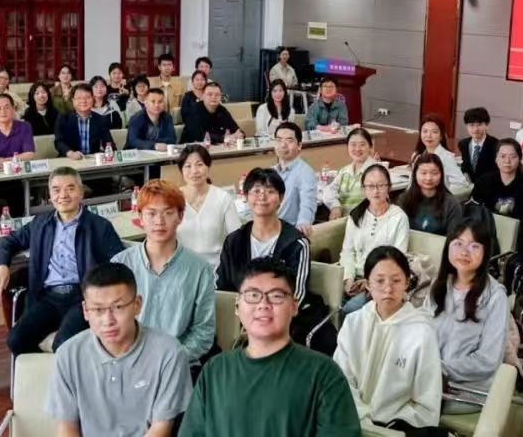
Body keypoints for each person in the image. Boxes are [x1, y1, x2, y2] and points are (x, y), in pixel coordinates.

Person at [179, 257, 361, 437]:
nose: (263, 305)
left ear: (294, 306)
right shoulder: (215, 370)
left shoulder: (324, 374)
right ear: (237, 306)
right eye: (253, 295)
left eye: (276, 296)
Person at [46, 262, 192, 437]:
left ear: (137, 304)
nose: (108, 320)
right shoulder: (67, 355)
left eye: (118, 307)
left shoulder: (170, 353)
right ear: (85, 310)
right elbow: (67, 428)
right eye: (98, 309)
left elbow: (161, 429)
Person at [0, 166, 126, 354]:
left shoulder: (99, 226)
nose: (63, 195)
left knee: (63, 345)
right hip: (46, 297)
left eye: (70, 188)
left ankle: (61, 362)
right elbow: (8, 242)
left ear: (81, 192)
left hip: (83, 298)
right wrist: (1, 265)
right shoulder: (40, 223)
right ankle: (47, 363)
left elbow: (120, 265)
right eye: (56, 190)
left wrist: (100, 297)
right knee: (16, 340)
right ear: (49, 195)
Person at [333, 247, 443, 436]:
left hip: (397, 428)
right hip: (353, 420)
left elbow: (427, 401)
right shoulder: (354, 322)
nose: (388, 289)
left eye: (396, 280)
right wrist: (362, 419)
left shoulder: (422, 332)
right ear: (367, 284)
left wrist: (388, 428)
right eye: (380, 280)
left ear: (407, 283)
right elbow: (342, 380)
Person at [111, 180, 215, 363]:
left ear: (180, 216)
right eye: (151, 213)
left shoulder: (199, 269)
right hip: (129, 361)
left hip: (179, 363)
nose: (159, 221)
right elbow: (110, 320)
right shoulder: (120, 264)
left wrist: (170, 360)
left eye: (168, 213)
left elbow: (203, 332)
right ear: (140, 217)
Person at [425, 221, 509, 415]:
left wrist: (440, 369)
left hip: (466, 390)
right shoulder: (440, 285)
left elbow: (488, 360)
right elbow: (422, 332)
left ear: (486, 253)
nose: (464, 252)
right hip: (430, 380)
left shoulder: (496, 296)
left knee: (402, 407)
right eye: (458, 243)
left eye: (474, 246)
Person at [216, 168, 311, 302]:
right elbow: (222, 289)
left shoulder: (297, 244)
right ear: (246, 196)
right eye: (256, 191)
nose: (262, 197)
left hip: (282, 313)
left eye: (270, 191)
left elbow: (297, 296)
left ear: (281, 198)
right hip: (239, 312)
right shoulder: (233, 242)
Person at [341, 164, 409, 314]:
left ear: (389, 187)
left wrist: (369, 282)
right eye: (370, 186)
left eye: (381, 185)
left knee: (350, 309)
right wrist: (348, 279)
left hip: (381, 282)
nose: (376, 191)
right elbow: (348, 252)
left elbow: (397, 258)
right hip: (354, 278)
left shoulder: (399, 217)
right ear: (363, 189)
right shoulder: (356, 215)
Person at [177, 145, 241, 266]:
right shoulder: (173, 199)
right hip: (182, 267)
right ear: (181, 170)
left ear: (208, 167)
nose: (194, 171)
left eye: (199, 165)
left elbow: (236, 239)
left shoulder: (223, 198)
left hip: (216, 268)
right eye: (188, 166)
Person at [470, 138, 523, 227]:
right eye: (502, 156)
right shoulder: (483, 181)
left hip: (516, 232)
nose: (507, 161)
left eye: (513, 157)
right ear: (496, 159)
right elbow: (473, 210)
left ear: (519, 159)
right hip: (484, 229)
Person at [397, 152, 463, 236]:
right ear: (415, 174)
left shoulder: (451, 204)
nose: (428, 178)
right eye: (423, 173)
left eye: (434, 173)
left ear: (441, 175)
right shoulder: (404, 200)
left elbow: (454, 238)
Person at [321, 128, 378, 220]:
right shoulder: (345, 171)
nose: (357, 149)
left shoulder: (376, 171)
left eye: (362, 145)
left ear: (371, 147)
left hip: (364, 222)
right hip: (343, 221)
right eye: (353, 145)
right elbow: (329, 190)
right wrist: (335, 207)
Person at [272, 122, 317, 235]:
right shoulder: (271, 171)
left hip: (288, 233)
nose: (283, 145)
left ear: (299, 145)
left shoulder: (305, 172)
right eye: (279, 140)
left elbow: (308, 203)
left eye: (289, 140)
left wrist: (303, 223)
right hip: (269, 229)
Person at [54, 83, 115, 158]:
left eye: (87, 97)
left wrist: (108, 150)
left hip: (92, 159)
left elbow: (109, 143)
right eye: (79, 98)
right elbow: (59, 142)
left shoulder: (101, 119)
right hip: (69, 159)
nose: (83, 101)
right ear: (73, 100)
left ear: (93, 99)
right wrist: (70, 153)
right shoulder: (63, 118)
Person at [412, 114, 470, 190]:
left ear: (441, 136)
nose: (428, 135)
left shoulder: (446, 157)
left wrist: (442, 195)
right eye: (425, 131)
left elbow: (461, 183)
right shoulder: (417, 155)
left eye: (434, 132)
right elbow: (412, 184)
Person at [458, 107, 499, 183]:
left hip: (489, 186)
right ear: (467, 126)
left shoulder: (496, 144)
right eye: (471, 125)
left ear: (487, 125)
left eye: (479, 124)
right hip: (469, 185)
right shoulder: (463, 144)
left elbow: (496, 171)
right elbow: (465, 166)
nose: (475, 129)